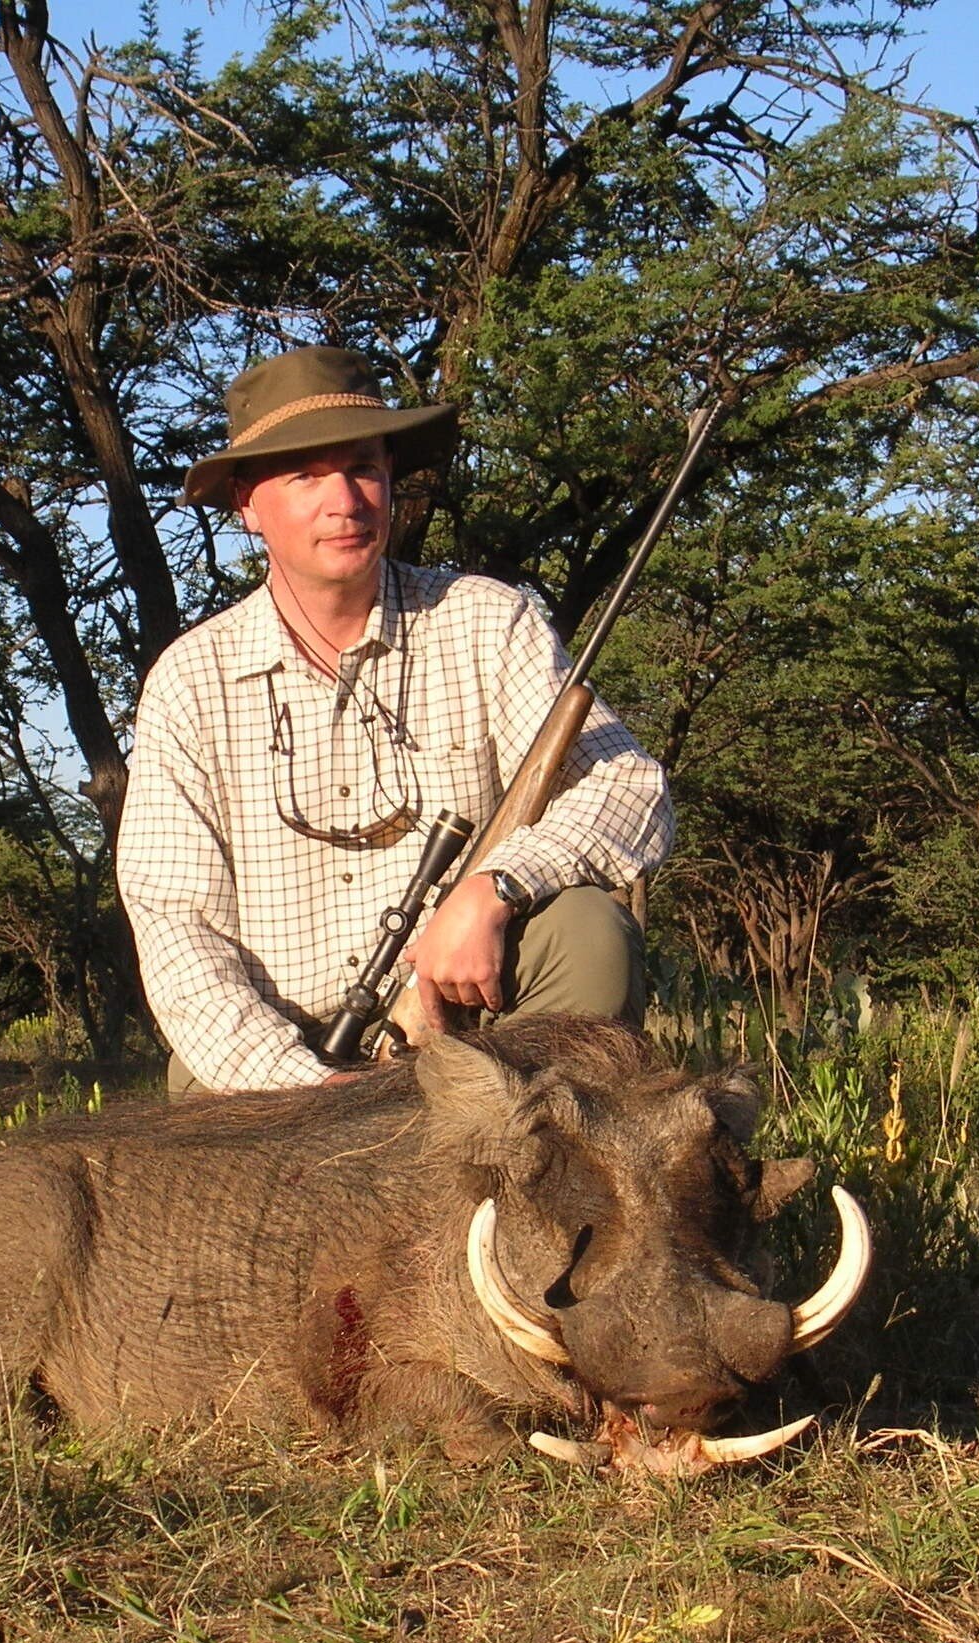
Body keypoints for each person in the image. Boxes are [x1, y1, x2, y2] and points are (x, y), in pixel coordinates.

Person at [118, 345, 674, 1093]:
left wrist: (496, 888)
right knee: (198, 1082)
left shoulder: (484, 619)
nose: (344, 501)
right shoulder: (190, 680)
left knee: (587, 934)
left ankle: (535, 1183)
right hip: (282, 1061)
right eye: (305, 476)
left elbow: (632, 787)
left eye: (363, 468)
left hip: (471, 1027)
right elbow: (177, 932)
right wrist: (307, 1090)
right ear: (247, 505)